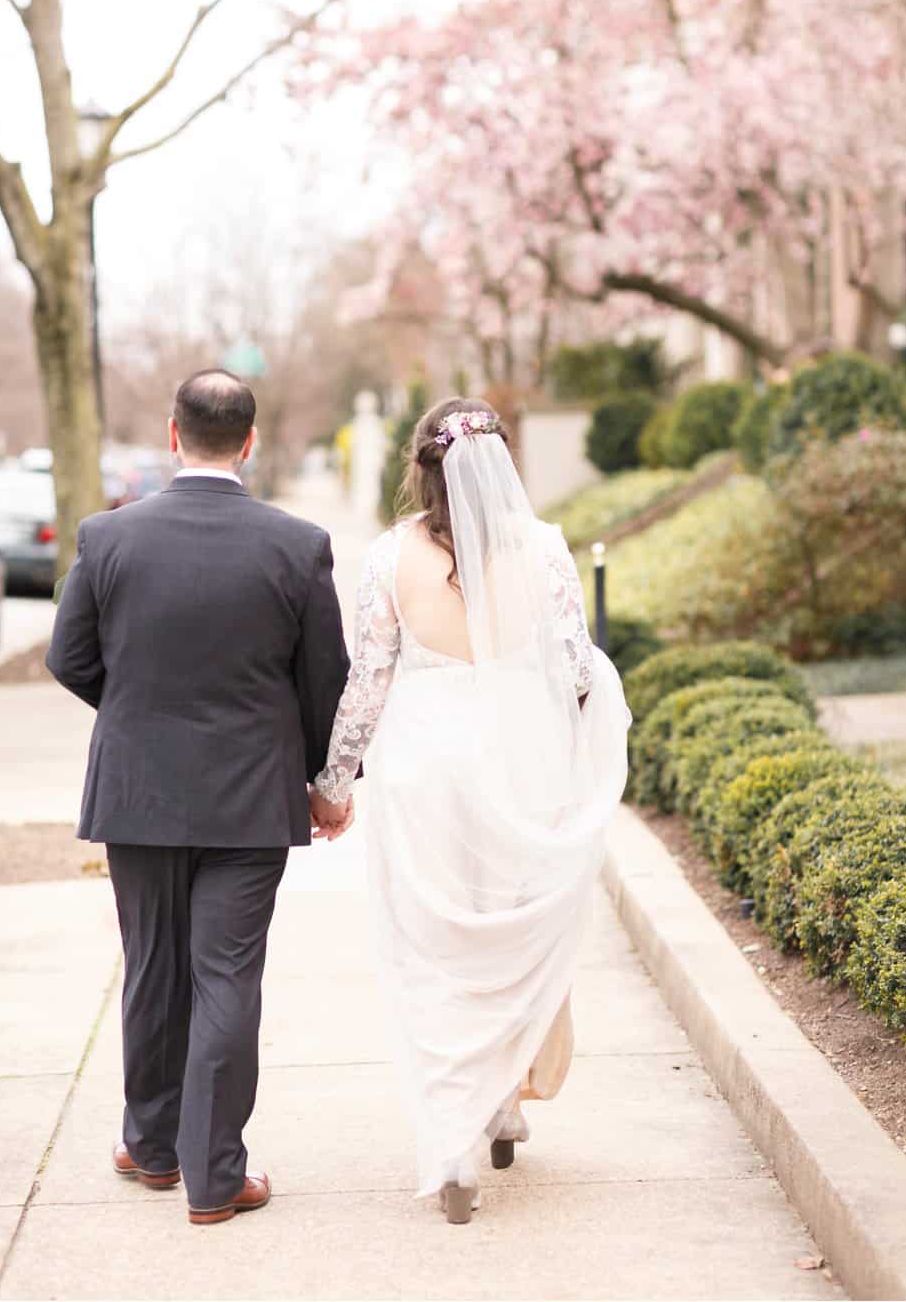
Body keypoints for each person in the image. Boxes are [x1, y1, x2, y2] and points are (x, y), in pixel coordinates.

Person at [313, 397, 631, 1224]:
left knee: (438, 946)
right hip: (519, 760)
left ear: (422, 467)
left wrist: (334, 781)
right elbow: (577, 670)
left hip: (425, 769)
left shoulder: (388, 557)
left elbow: (366, 685)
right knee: (511, 925)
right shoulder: (547, 550)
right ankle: (502, 1103)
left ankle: (454, 1144)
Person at [46, 369, 352, 1225]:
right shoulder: (297, 545)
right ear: (249, 442)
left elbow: (69, 660)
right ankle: (215, 1176)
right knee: (224, 976)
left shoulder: (107, 538)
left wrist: (140, 710)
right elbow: (325, 681)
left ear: (173, 435)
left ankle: (150, 1150)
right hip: (250, 797)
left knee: (149, 967)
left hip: (138, 790)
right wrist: (327, 784)